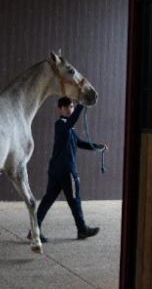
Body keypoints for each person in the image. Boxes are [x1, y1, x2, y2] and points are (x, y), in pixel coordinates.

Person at [34, 96, 107, 241]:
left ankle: (34, 230)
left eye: (71, 106)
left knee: (48, 199)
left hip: (56, 170)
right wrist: (81, 105)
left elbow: (79, 143)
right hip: (67, 171)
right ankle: (82, 230)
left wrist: (98, 147)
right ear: (59, 109)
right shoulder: (61, 124)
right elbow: (71, 122)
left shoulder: (69, 128)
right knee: (75, 200)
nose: (69, 109)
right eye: (66, 107)